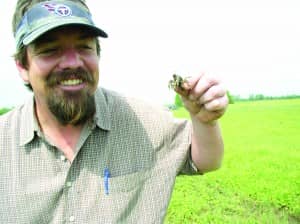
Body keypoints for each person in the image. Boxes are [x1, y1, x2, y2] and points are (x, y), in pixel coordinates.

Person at [0, 0, 228, 223]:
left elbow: (206, 160)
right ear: (22, 66)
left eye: (84, 47)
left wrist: (204, 122)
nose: (72, 62)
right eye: (50, 50)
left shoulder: (143, 120)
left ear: (98, 54)